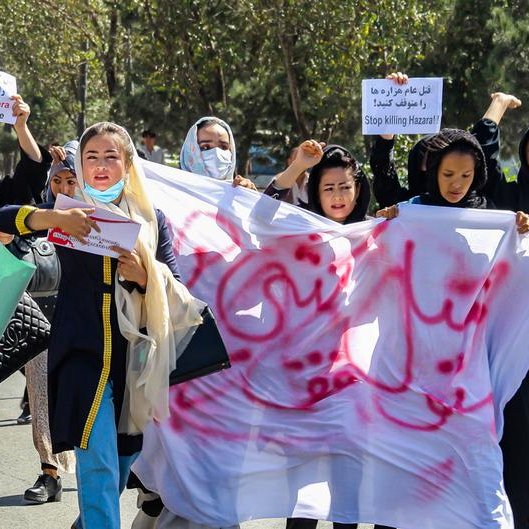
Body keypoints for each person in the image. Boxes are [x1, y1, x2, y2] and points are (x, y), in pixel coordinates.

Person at [0, 121, 205, 529]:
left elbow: (177, 288)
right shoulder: (65, 213)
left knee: (120, 464)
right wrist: (45, 218)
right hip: (81, 360)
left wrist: (146, 277)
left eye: (111, 156)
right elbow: (3, 221)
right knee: (98, 468)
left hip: (136, 364)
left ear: (127, 164)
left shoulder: (151, 219)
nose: (100, 165)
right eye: (90, 157)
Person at [266, 139, 393, 529]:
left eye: (344, 187)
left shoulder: (378, 235)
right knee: (302, 493)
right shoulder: (300, 230)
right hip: (304, 380)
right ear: (315, 192)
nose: (337, 196)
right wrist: (297, 167)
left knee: (346, 490)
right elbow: (261, 212)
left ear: (358, 190)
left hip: (356, 383)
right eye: (328, 187)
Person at [369, 72, 522, 209]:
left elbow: (485, 147)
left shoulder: (489, 208)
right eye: (448, 174)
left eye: (466, 175)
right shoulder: (410, 208)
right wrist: (390, 105)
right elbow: (385, 180)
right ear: (431, 171)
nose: (457, 185)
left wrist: (523, 224)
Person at [179, 116, 257, 190]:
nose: (216, 154)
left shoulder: (240, 192)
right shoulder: (173, 194)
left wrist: (253, 198)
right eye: (205, 147)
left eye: (223, 147)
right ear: (189, 152)